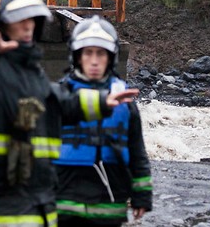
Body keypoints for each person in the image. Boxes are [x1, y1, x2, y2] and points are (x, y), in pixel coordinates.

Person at [0, 0, 139, 227]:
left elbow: (57, 102)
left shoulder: (30, 72)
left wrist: (104, 100)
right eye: (20, 19)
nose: (28, 25)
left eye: (32, 18)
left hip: (34, 207)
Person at [54, 15, 152, 227]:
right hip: (64, 196)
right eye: (88, 53)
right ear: (77, 56)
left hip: (109, 197)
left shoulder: (125, 102)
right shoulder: (60, 95)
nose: (95, 60)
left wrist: (141, 195)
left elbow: (137, 151)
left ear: (111, 57)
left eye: (101, 53)